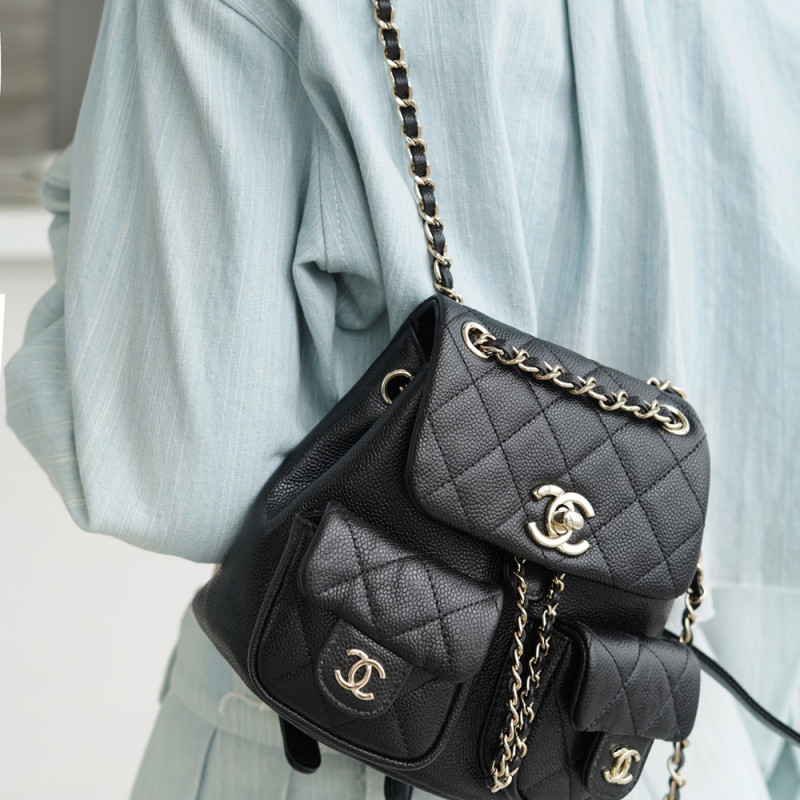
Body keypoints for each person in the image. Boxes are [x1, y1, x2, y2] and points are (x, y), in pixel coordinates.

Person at [5, 1, 800, 798]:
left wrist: (82, 206)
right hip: (651, 755)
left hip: (322, 738)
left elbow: (172, 472)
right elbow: (773, 559)